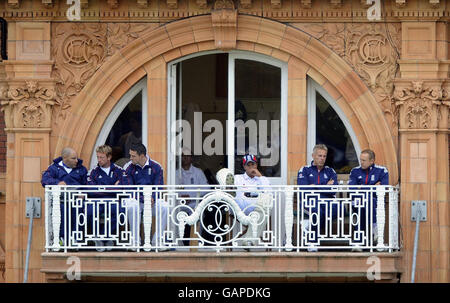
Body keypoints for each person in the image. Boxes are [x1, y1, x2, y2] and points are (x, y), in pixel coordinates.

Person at [123, 143, 168, 249]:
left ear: (142, 156)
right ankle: (135, 241)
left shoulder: (156, 166)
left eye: (133, 156)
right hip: (137, 201)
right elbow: (129, 188)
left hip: (152, 201)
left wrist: (153, 198)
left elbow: (158, 186)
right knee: (132, 206)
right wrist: (145, 199)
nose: (130, 158)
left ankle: (157, 241)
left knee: (164, 206)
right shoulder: (128, 167)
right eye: (130, 155)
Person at [41, 147, 88, 246]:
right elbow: (45, 180)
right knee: (62, 211)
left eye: (76, 158)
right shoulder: (54, 168)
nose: (76, 161)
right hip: (61, 200)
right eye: (73, 158)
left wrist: (83, 193)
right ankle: (62, 239)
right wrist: (57, 183)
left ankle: (76, 239)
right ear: (64, 158)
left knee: (79, 212)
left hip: (77, 200)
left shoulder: (82, 169)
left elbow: (87, 184)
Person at [297, 144, 338, 251]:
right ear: (313, 156)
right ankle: (312, 242)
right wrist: (325, 186)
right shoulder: (305, 170)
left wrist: (314, 186)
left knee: (339, 209)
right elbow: (304, 189)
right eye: (319, 156)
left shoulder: (330, 171)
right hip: (309, 200)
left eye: (324, 156)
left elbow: (334, 189)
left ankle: (309, 227)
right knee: (318, 212)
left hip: (327, 201)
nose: (322, 158)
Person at [87, 145, 127, 251]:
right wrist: (112, 188)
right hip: (96, 201)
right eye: (98, 157)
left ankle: (107, 236)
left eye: (102, 157)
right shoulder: (93, 172)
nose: (99, 160)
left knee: (120, 211)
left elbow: (123, 187)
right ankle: (98, 237)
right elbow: (91, 190)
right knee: (90, 211)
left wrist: (102, 189)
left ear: (109, 157)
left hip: (113, 201)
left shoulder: (119, 170)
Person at [348, 149, 389, 249]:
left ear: (372, 161)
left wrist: (361, 187)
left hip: (376, 204)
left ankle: (358, 242)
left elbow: (383, 188)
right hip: (357, 202)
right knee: (364, 201)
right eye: (360, 159)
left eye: (364, 160)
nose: (361, 162)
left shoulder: (382, 170)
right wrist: (372, 186)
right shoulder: (355, 171)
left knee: (367, 200)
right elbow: (351, 188)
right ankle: (375, 228)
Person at [234, 154, 272, 247]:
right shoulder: (237, 178)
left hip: (257, 209)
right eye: (248, 165)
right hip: (242, 208)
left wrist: (260, 176)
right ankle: (249, 239)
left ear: (256, 165)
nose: (251, 167)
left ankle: (248, 240)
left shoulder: (261, 179)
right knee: (263, 209)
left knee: (267, 201)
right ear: (244, 167)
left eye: (253, 165)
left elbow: (270, 193)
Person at [175, 147, 209, 246]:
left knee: (198, 214)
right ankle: (178, 243)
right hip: (179, 204)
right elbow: (171, 190)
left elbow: (207, 189)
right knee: (174, 214)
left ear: (191, 158)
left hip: (194, 203)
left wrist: (191, 196)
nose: (185, 158)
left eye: (187, 156)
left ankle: (196, 242)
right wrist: (181, 197)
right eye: (183, 156)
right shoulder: (176, 173)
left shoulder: (198, 172)